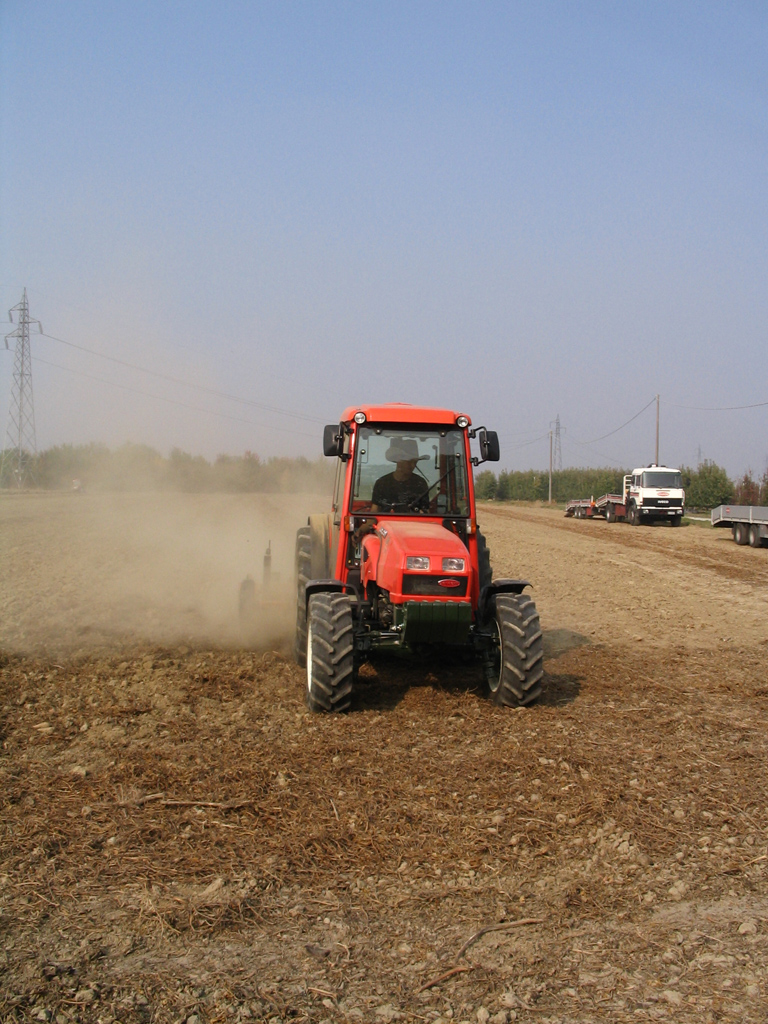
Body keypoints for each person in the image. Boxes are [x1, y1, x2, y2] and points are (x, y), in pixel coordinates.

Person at [371, 438, 430, 512]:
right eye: (409, 461)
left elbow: (425, 513)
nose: (413, 465)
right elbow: (374, 511)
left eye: (415, 462)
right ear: (399, 460)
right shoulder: (382, 483)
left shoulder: (420, 483)